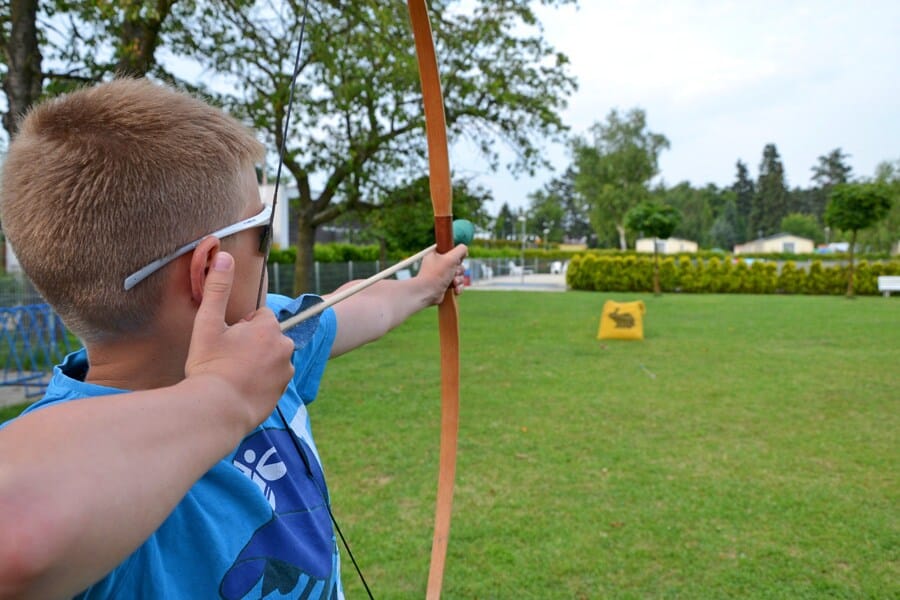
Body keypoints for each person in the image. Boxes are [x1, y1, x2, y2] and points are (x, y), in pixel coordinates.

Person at [0, 78, 467, 599]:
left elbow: (358, 303)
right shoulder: (71, 460)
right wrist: (222, 397)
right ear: (209, 270)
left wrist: (425, 285)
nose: (266, 250)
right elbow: (15, 536)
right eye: (261, 234)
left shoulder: (260, 339)